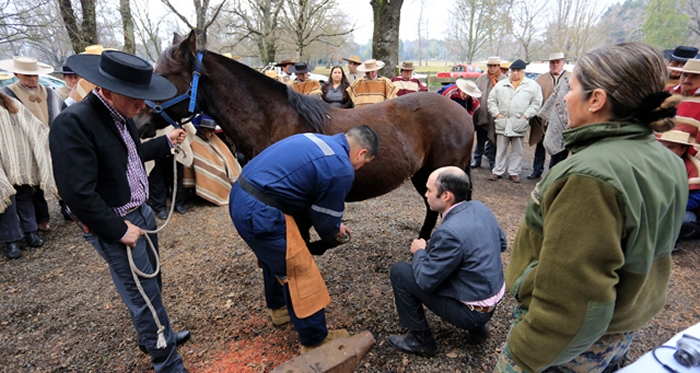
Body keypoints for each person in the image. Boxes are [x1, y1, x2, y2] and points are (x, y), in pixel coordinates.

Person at [494, 42, 687, 373]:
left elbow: (573, 298)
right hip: (622, 325)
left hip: (572, 342)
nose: (566, 98)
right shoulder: (666, 160)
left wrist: (523, 356)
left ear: (596, 100)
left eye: (571, 88)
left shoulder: (589, 176)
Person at [49, 50, 191, 373]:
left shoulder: (120, 113)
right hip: (118, 224)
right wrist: (118, 229)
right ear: (108, 90)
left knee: (152, 283)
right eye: (136, 97)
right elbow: (76, 194)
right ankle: (167, 363)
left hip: (140, 214)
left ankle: (156, 336)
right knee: (144, 297)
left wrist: (166, 143)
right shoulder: (73, 123)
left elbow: (129, 156)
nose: (143, 105)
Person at [229, 125, 379, 354]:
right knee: (300, 270)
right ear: (361, 153)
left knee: (275, 257)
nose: (359, 168)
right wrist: (334, 232)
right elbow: (325, 223)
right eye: (364, 163)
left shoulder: (315, 139)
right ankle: (315, 341)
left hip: (240, 194)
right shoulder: (341, 168)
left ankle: (279, 310)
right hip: (261, 210)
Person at [388, 166, 506, 357]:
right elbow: (501, 244)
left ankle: (421, 341)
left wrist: (419, 251)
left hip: (473, 312)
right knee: (460, 266)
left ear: (446, 196)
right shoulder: (479, 207)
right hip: (493, 297)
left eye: (429, 190)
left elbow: (425, 280)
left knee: (400, 272)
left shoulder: (448, 232)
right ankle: (478, 330)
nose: (425, 195)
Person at [0, 56, 67, 232]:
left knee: (62, 175)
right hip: (27, 145)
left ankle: (67, 207)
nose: (33, 79)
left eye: (35, 75)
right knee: (34, 184)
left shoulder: (50, 93)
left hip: (53, 140)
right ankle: (41, 218)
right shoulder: (8, 94)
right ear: (17, 74)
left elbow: (63, 112)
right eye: (27, 76)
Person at [0, 91, 55, 259]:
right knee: (6, 201)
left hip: (18, 160)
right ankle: (12, 240)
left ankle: (31, 232)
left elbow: (31, 125)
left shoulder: (10, 103)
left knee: (24, 197)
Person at [487, 59, 542, 183]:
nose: (516, 73)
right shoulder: (501, 85)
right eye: (514, 71)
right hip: (503, 121)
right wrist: (497, 114)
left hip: (519, 122)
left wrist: (526, 115)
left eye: (518, 71)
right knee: (500, 149)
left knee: (517, 150)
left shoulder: (532, 86)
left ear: (523, 72)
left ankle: (514, 171)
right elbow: (491, 100)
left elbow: (536, 102)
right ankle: (498, 170)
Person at [656, 122, 700, 252]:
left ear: (683, 149)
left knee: (685, 220)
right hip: (656, 203)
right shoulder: (651, 162)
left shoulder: (693, 168)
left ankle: (673, 241)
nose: (664, 150)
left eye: (671, 147)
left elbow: (697, 198)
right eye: (661, 145)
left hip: (679, 206)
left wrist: (672, 204)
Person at [527, 52, 571, 179]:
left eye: (558, 62)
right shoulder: (541, 79)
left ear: (563, 63)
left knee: (560, 147)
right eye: (553, 62)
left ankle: (555, 173)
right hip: (543, 120)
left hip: (563, 120)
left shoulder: (571, 78)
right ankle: (537, 170)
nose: (555, 65)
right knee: (540, 145)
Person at [183, 114, 240, 206]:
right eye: (209, 131)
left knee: (227, 159)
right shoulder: (192, 141)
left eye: (213, 131)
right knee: (217, 169)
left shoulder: (214, 138)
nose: (212, 133)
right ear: (201, 131)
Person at [472, 56, 507, 169]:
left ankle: (492, 161)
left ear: (498, 66)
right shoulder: (481, 78)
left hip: (496, 115)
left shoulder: (504, 80)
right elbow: (475, 94)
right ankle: (477, 159)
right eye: (490, 65)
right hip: (483, 113)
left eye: (494, 66)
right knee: (480, 139)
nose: (492, 68)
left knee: (494, 140)